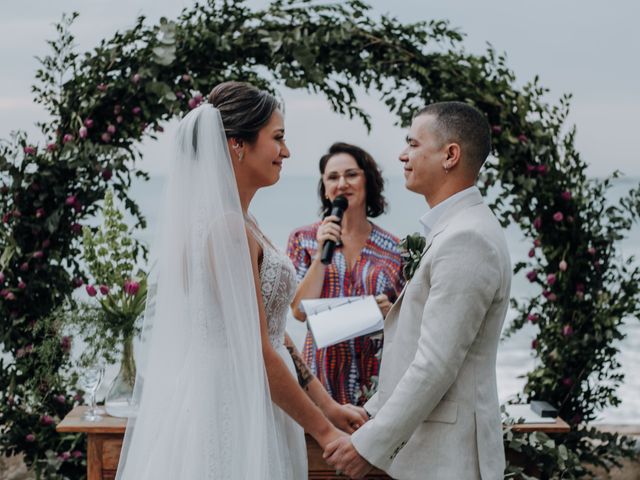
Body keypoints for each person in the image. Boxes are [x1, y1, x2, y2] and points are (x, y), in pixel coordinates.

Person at [115, 82, 366, 480]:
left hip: (256, 399)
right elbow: (257, 350)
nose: (286, 152)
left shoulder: (240, 221)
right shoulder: (226, 229)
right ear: (237, 145)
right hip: (232, 406)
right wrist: (325, 432)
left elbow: (274, 330)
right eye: (278, 138)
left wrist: (328, 405)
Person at [325, 102, 512, 479]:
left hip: (449, 460)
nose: (402, 154)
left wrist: (370, 445)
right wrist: (373, 411)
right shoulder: (456, 229)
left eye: (412, 143)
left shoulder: (467, 238)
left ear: (450, 155)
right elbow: (413, 349)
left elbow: (435, 363)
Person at [287, 142, 404, 406]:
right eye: (333, 177)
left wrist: (391, 312)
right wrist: (320, 255)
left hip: (376, 385)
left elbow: (409, 319)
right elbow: (298, 311)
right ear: (326, 189)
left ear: (367, 181)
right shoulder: (303, 239)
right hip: (320, 384)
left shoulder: (396, 250)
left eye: (351, 175)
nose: (342, 183)